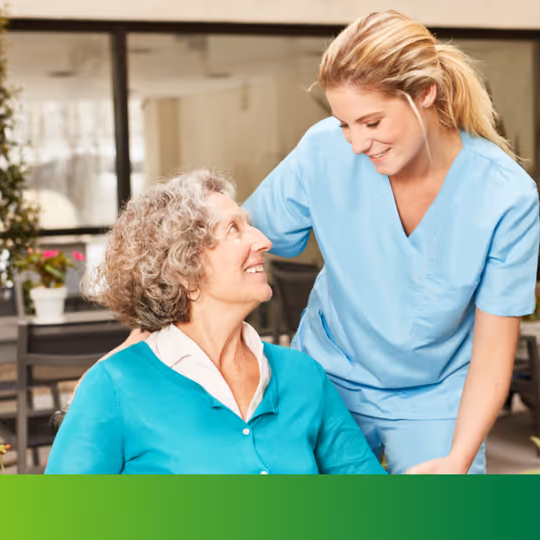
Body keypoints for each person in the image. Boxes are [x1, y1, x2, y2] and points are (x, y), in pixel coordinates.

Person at [243, 11, 540, 474]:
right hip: (326, 375)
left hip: (436, 394)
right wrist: (152, 332)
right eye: (345, 123)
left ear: (425, 93)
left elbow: (492, 350)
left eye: (372, 122)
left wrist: (458, 458)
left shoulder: (506, 195)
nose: (358, 143)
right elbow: (236, 246)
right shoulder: (324, 151)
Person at [46, 171, 385, 475]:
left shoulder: (303, 376)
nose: (263, 241)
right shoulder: (114, 386)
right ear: (183, 270)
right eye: (234, 229)